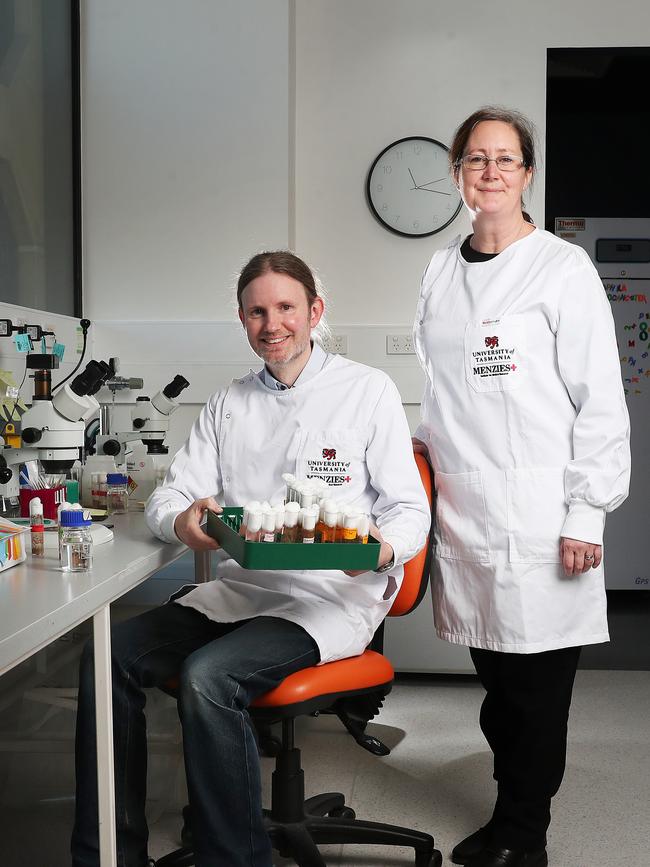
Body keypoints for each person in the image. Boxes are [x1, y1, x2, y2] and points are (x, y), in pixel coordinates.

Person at [71, 250, 430, 867]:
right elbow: (173, 496)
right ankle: (110, 853)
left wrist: (379, 550)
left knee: (212, 677)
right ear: (242, 320)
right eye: (257, 311)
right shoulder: (228, 403)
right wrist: (182, 521)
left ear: (315, 311)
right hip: (242, 591)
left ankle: (235, 857)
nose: (273, 324)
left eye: (286, 308)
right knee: (108, 658)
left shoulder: (366, 391)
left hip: (329, 600)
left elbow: (410, 511)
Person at [412, 106, 630, 867]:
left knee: (538, 695)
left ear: (527, 174)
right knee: (498, 687)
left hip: (544, 516)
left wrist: (586, 513)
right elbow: (440, 395)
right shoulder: (439, 270)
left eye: (506, 158)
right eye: (477, 159)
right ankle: (510, 813)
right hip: (466, 515)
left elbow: (600, 399)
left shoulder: (561, 268)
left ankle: (524, 834)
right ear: (459, 175)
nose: (492, 171)